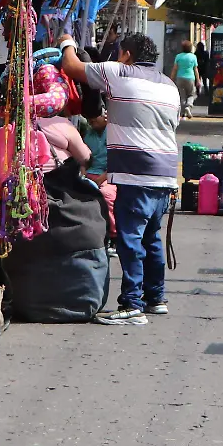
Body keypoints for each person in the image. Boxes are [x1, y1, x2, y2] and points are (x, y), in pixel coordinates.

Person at [60, 31, 180, 325]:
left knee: (129, 240)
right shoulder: (169, 86)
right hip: (164, 174)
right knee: (151, 238)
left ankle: (131, 304)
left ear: (126, 55)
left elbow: (72, 67)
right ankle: (156, 298)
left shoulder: (119, 72)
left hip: (136, 173)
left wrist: (66, 42)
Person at [80, 112, 117, 256]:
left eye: (95, 118)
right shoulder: (88, 134)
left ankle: (113, 236)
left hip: (109, 174)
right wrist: (83, 173)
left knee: (106, 195)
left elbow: (118, 161)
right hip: (90, 172)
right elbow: (83, 159)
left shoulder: (115, 133)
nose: (91, 121)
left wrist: (101, 178)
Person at [169, 40, 201, 118]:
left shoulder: (178, 56)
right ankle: (188, 106)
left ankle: (182, 112)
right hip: (190, 78)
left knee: (181, 95)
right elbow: (195, 69)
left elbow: (175, 69)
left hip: (180, 78)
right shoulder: (193, 57)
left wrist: (171, 79)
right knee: (191, 95)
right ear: (190, 48)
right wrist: (198, 80)